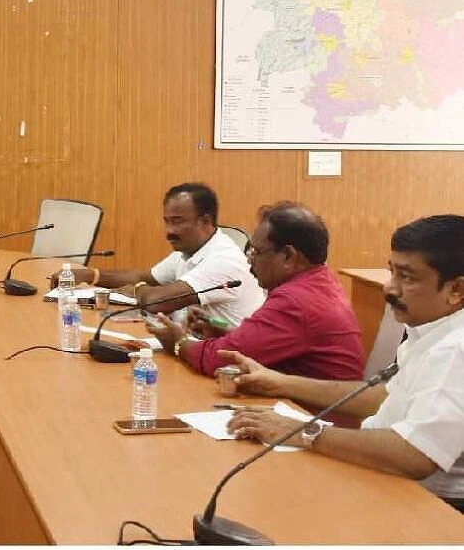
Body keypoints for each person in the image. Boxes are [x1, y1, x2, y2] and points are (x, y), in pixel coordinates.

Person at [225, 214, 464, 513]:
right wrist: (279, 383)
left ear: (456, 290)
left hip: (433, 507)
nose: (389, 289)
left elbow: (415, 454)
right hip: (389, 480)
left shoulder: (455, 348)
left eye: (407, 277)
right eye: (392, 272)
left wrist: (303, 432)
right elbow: (385, 398)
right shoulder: (433, 329)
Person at [149, 201, 363, 381]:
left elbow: (217, 360)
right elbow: (269, 348)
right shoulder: (319, 282)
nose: (249, 260)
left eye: (256, 251)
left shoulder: (296, 301)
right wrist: (226, 334)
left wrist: (178, 342)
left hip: (310, 413)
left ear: (288, 256)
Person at [51, 182, 265, 324]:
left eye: (178, 222)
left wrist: (137, 289)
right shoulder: (188, 251)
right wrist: (90, 275)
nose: (169, 231)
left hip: (229, 361)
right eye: (167, 221)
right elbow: (142, 276)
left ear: (205, 221)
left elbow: (156, 301)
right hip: (197, 346)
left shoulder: (223, 260)